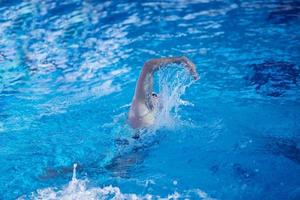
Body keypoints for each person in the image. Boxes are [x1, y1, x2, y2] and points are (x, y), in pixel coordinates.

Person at [128, 56, 199, 129]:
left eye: (155, 95)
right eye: (154, 95)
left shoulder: (155, 119)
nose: (156, 96)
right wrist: (181, 59)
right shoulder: (141, 109)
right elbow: (148, 66)